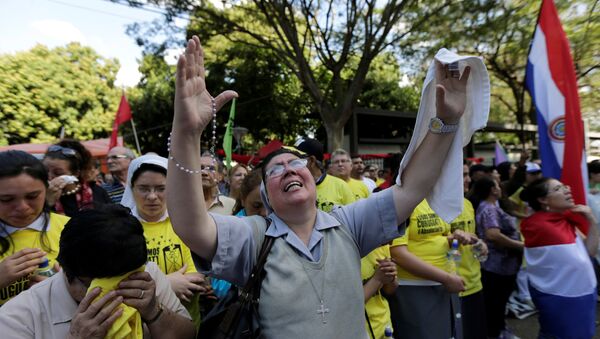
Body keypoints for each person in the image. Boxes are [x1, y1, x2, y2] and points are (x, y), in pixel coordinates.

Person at [167, 35, 470, 338]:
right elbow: (191, 226)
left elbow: (412, 189)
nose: (287, 169)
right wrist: (186, 134)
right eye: (275, 170)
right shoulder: (253, 236)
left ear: (313, 177)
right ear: (266, 198)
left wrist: (446, 121)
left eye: (296, 164)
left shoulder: (348, 225)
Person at [0, 204, 195, 339]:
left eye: (123, 284)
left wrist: (154, 312)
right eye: (100, 286)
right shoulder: (19, 316)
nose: (114, 296)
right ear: (67, 272)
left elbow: (188, 335)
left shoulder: (146, 278)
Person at [120, 153, 208, 329]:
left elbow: (196, 278)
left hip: (185, 327)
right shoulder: (121, 230)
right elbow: (122, 286)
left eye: (161, 188)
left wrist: (151, 288)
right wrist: (168, 283)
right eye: (144, 188)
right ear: (131, 188)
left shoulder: (186, 224)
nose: (152, 196)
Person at [519, 178, 599, 339]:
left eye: (565, 186)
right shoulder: (536, 225)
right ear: (542, 200)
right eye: (558, 189)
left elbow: (588, 252)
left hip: (581, 293)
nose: (567, 190)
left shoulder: (563, 220)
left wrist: (592, 220)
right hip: (560, 297)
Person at [0, 150, 70, 306]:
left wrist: (71, 287)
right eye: (6, 199)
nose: (22, 207)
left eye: (32, 196)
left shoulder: (73, 229)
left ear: (47, 188)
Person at [469, 176, 523, 339]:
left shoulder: (491, 206)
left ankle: (498, 330)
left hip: (501, 264)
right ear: (493, 190)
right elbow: (493, 235)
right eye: (498, 186)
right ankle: (496, 333)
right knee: (496, 304)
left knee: (496, 303)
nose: (500, 189)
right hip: (497, 265)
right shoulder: (489, 208)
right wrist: (520, 245)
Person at [43, 139, 111, 216]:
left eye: (58, 173)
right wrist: (47, 203)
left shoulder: (97, 193)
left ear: (76, 173)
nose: (49, 176)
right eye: (45, 170)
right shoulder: (37, 194)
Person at [293, 137, 356, 212]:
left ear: (312, 161)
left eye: (296, 160)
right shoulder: (292, 187)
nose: (291, 163)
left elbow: (354, 218)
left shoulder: (340, 186)